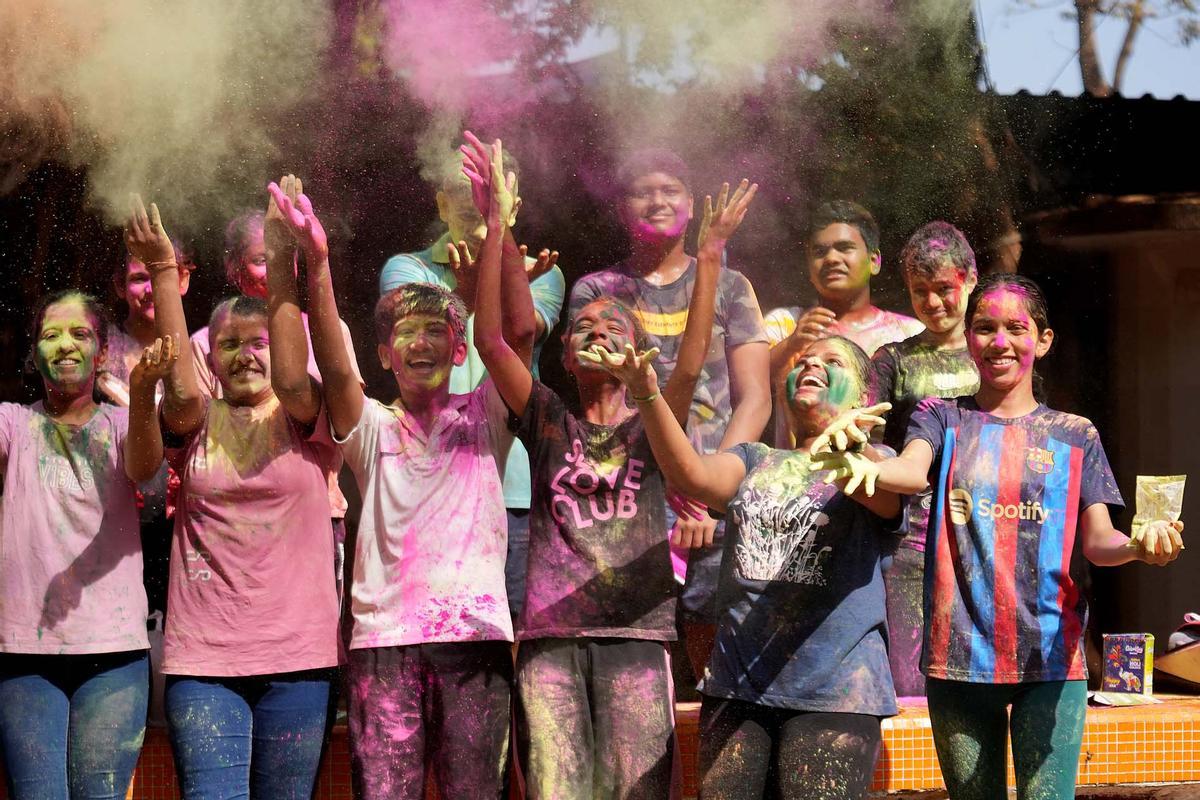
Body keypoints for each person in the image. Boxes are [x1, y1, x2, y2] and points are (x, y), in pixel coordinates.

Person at [811, 272, 1185, 800]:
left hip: (1051, 660)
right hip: (957, 658)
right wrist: (851, 459)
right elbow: (912, 473)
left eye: (1017, 327)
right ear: (968, 340)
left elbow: (1099, 542)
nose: (1000, 342)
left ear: (1044, 340)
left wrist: (1140, 547)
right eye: (985, 328)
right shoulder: (940, 417)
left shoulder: (1076, 434)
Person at [469, 132, 757, 797]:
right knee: (556, 789)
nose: (598, 330)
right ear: (566, 355)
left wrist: (710, 258)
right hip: (549, 639)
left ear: (637, 354)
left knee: (635, 791)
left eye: (616, 327)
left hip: (636, 636)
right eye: (585, 327)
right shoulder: (545, 418)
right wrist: (494, 226)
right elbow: (489, 338)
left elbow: (688, 364)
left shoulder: (652, 424)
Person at [269, 173, 518, 800]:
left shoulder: (487, 418)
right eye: (406, 330)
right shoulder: (372, 429)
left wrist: (497, 232)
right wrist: (317, 264)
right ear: (384, 354)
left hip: (475, 641)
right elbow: (331, 361)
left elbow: (513, 339)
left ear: (460, 351)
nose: (421, 341)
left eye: (437, 330)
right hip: (386, 645)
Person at [585, 330, 901, 800]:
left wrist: (849, 447)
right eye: (802, 360)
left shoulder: (879, 463)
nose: (810, 365)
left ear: (863, 395)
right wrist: (647, 392)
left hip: (834, 693)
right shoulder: (755, 459)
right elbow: (690, 475)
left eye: (831, 361)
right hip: (736, 689)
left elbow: (885, 496)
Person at [125, 194, 340, 798]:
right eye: (229, 345)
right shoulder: (194, 419)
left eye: (259, 342)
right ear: (210, 357)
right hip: (204, 663)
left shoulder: (305, 415)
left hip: (298, 657)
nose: (246, 354)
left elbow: (296, 375)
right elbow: (182, 393)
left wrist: (282, 259)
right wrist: (165, 271)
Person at [568, 148, 771, 679]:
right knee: (634, 668)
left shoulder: (731, 286)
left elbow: (755, 397)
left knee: (717, 664)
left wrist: (711, 489)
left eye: (670, 189)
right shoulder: (597, 292)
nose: (657, 200)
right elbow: (598, 397)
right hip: (629, 496)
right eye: (643, 190)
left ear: (691, 203)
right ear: (621, 209)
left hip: (716, 502)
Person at [379, 142, 565, 622]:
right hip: (427, 473)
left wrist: (502, 263)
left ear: (513, 205)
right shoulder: (407, 268)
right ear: (440, 203)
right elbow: (421, 330)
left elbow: (519, 332)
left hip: (517, 486)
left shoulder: (544, 272)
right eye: (460, 187)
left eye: (487, 188)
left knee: (516, 629)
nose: (473, 197)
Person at [0, 289, 169, 798]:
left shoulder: (123, 425)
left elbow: (146, 473)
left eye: (80, 334)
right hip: (25, 652)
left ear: (101, 353)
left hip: (113, 652)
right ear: (35, 353)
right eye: (50, 335)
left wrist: (141, 395)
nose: (65, 345)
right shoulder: (12, 423)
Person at [188, 207, 361, 602]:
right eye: (262, 259)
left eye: (286, 257)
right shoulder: (203, 345)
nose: (278, 268)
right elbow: (194, 437)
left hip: (314, 511)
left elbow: (350, 420)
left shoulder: (327, 333)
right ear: (234, 268)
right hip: (228, 518)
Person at [871, 221, 980, 697]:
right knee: (910, 673)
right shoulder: (892, 359)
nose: (934, 303)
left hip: (984, 529)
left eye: (944, 289)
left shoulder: (997, 356)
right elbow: (868, 441)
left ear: (970, 279)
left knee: (977, 664)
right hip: (910, 536)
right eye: (920, 292)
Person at [765, 201, 923, 447]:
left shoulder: (909, 334)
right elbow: (745, 387)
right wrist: (792, 344)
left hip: (880, 478)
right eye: (820, 252)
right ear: (808, 266)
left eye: (844, 248)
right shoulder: (785, 324)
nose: (831, 259)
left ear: (874, 261)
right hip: (797, 475)